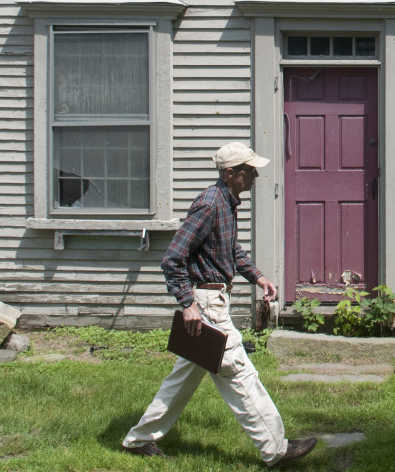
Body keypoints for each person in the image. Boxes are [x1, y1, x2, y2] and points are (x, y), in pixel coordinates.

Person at [121, 142, 317, 468]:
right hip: (206, 308)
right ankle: (276, 448)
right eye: (248, 170)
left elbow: (230, 251)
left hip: (213, 302)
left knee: (180, 381)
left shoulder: (226, 202)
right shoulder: (210, 205)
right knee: (240, 374)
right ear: (230, 173)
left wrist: (257, 277)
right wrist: (188, 304)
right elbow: (173, 259)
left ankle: (139, 440)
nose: (255, 174)